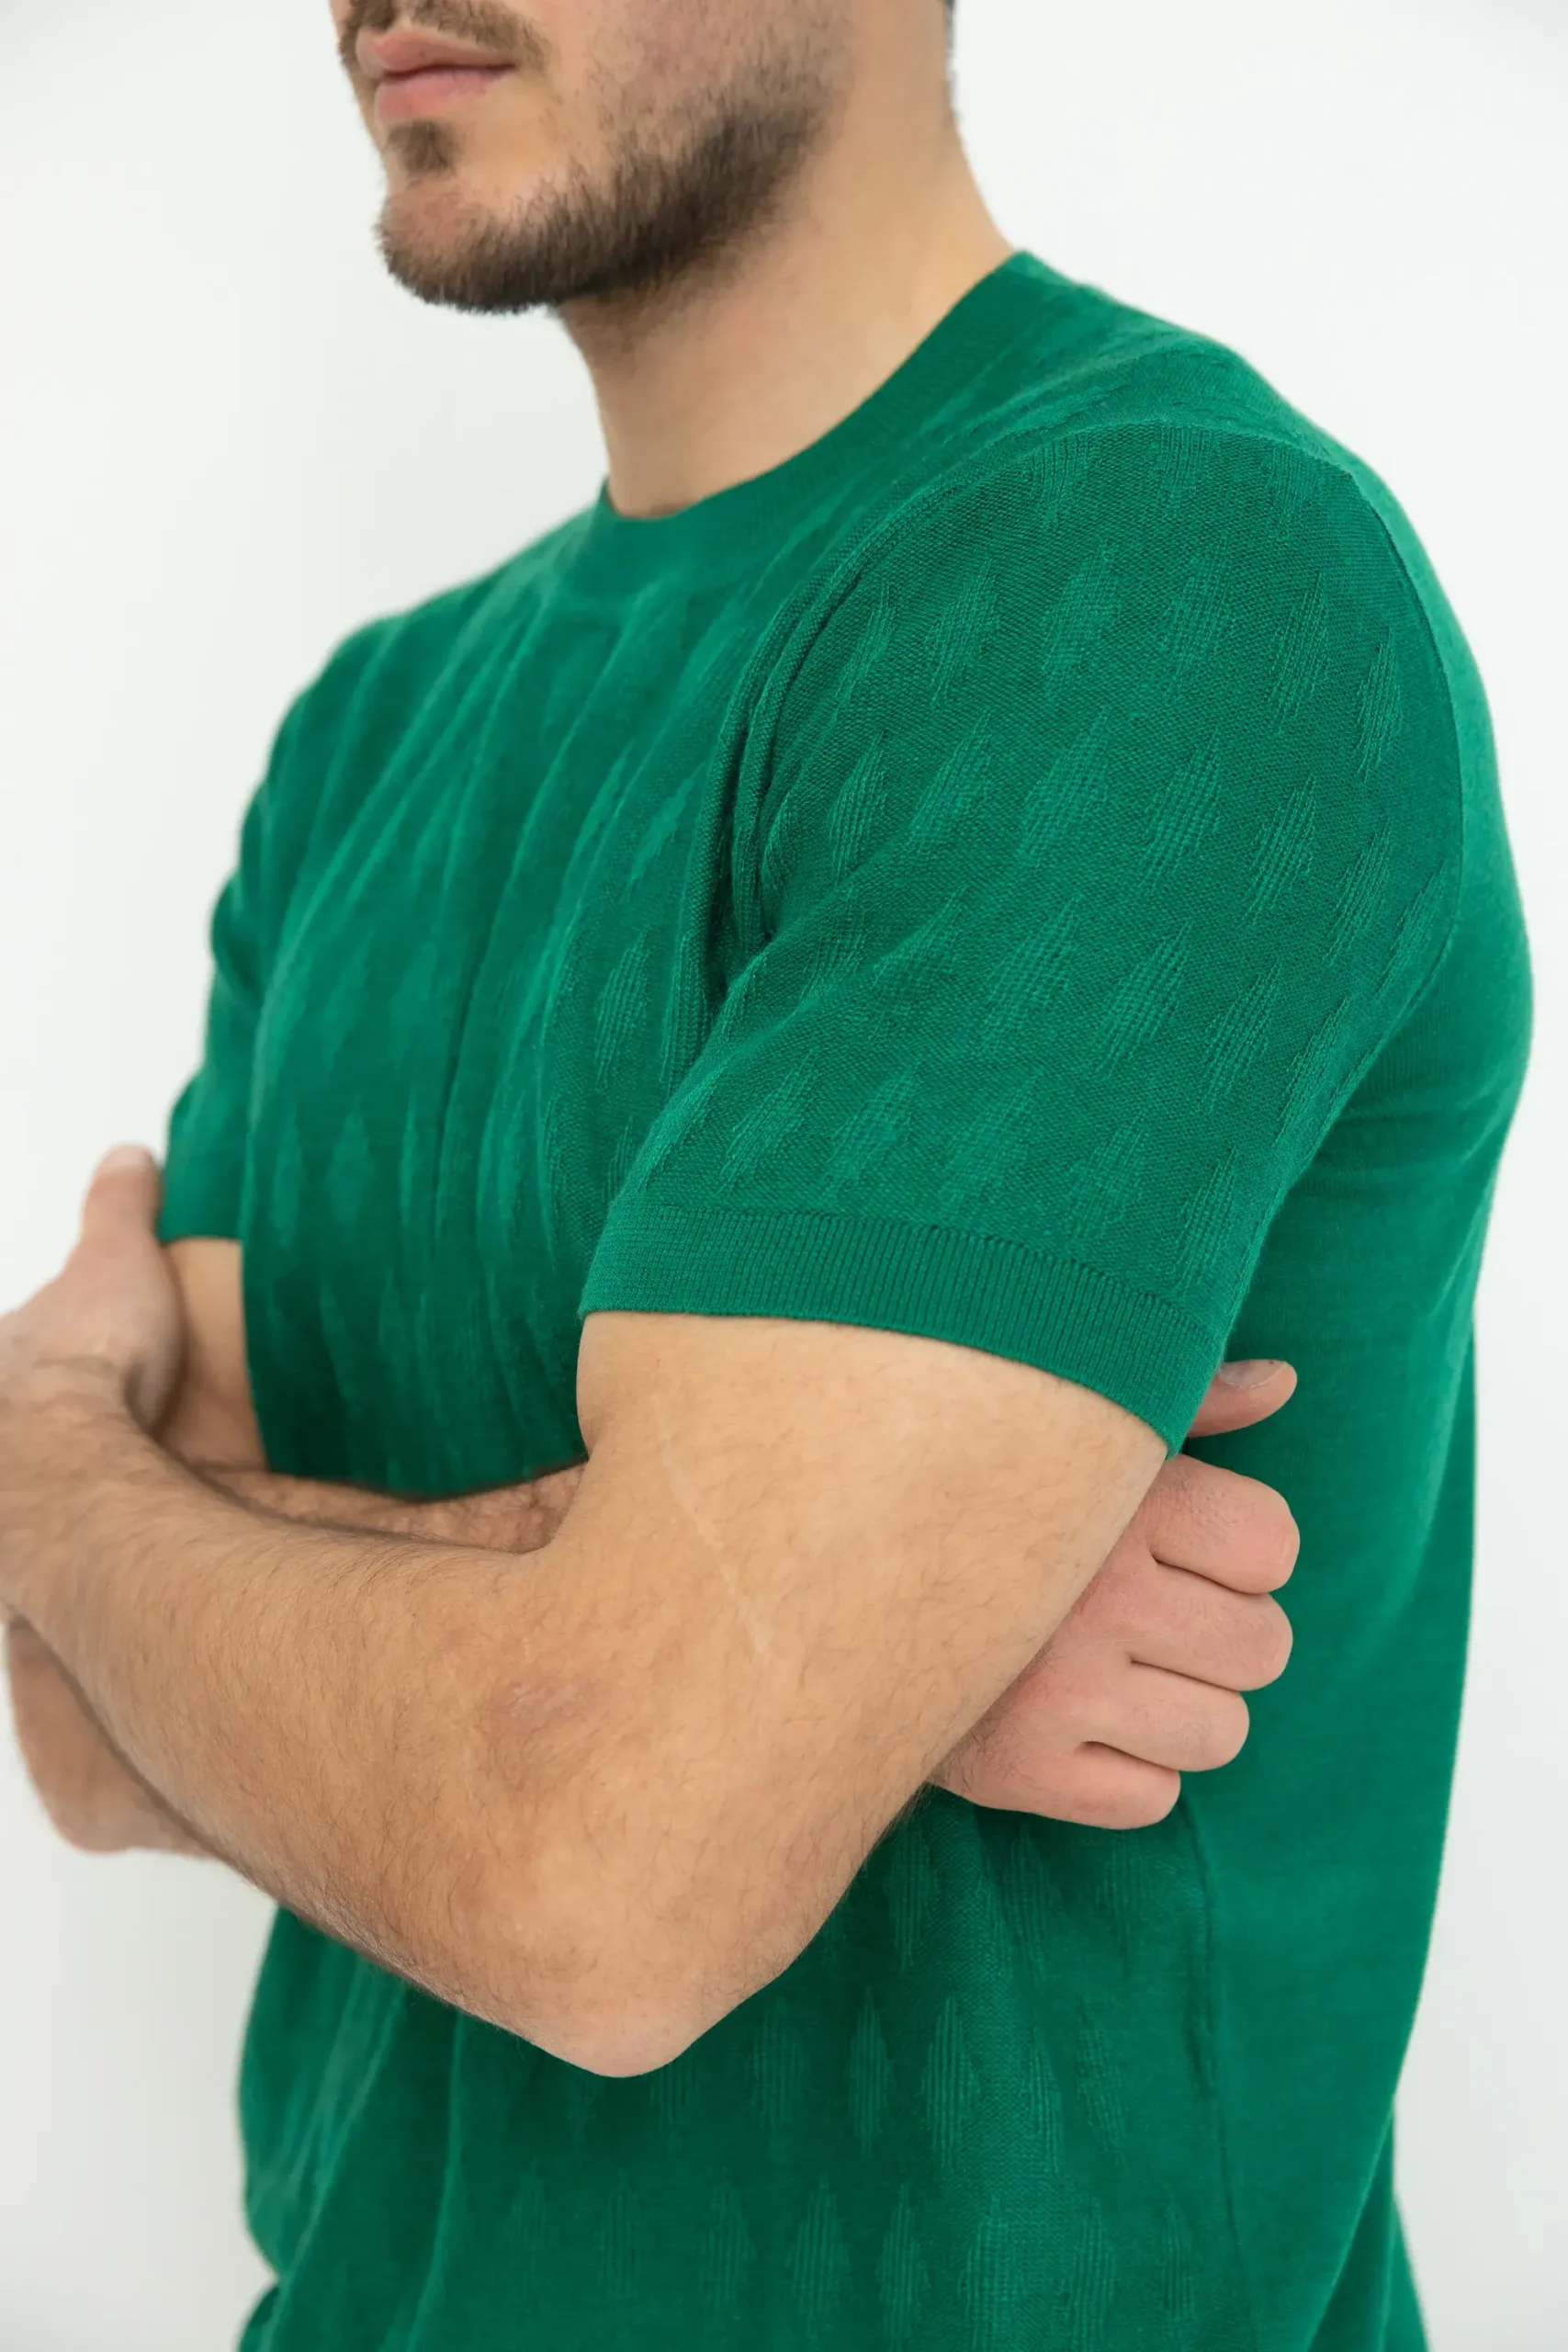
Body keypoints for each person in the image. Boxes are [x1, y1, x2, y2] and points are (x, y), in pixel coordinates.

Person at [0, 0, 1532, 2346]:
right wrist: (735, 1642)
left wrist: (49, 1475)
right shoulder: (367, 736)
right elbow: (82, 1730)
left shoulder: (1158, 572)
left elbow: (598, 1869)